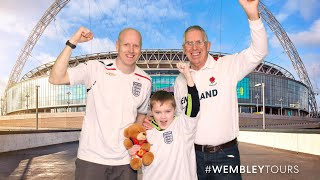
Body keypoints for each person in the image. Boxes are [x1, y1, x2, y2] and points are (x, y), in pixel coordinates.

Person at [174, 0, 268, 179]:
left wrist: (252, 16)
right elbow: (181, 120)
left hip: (225, 156)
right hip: (193, 157)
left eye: (199, 42)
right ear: (184, 48)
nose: (194, 48)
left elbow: (259, 52)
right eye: (189, 44)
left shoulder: (226, 66)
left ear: (208, 46)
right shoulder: (180, 80)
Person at [48, 27, 151, 180]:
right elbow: (55, 78)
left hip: (125, 162)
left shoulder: (145, 80)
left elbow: (141, 113)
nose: (131, 50)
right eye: (126, 44)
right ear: (117, 45)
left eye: (136, 45)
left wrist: (134, 142)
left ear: (141, 49)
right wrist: (73, 42)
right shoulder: (96, 68)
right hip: (91, 160)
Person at [130, 62, 200, 180]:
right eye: (158, 112)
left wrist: (188, 76)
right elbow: (139, 161)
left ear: (175, 109)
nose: (163, 117)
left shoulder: (183, 126)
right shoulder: (145, 132)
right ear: (151, 111)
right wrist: (133, 152)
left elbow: (194, 106)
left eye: (168, 111)